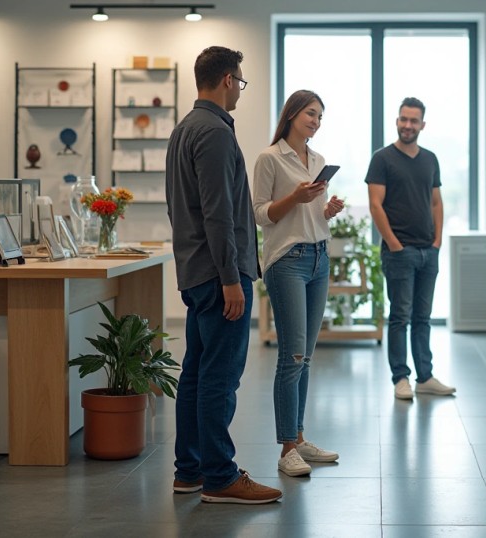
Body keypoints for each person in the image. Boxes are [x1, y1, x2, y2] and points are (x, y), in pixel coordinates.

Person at [166, 46, 282, 504]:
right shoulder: (213, 132)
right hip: (219, 277)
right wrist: (232, 279)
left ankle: (189, 471)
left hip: (197, 273)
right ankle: (220, 476)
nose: (240, 91)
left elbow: (187, 208)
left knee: (196, 373)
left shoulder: (183, 130)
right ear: (228, 80)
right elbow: (218, 214)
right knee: (219, 376)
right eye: (241, 81)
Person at [253, 90, 345, 477]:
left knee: (305, 356)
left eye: (321, 116)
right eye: (311, 113)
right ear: (291, 114)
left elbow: (310, 218)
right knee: (291, 356)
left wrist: (327, 211)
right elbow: (261, 215)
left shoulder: (318, 160)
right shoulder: (269, 158)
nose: (316, 121)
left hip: (318, 258)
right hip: (286, 262)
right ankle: (287, 447)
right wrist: (295, 196)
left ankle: (300, 437)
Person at [365, 97, 456, 400]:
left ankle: (425, 377)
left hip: (428, 251)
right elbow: (375, 204)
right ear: (397, 121)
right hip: (399, 252)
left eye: (413, 121)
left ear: (422, 125)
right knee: (400, 316)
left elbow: (436, 202)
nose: (408, 125)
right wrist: (394, 244)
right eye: (403, 119)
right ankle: (400, 378)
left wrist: (437, 240)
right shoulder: (382, 158)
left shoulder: (430, 159)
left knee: (423, 317)